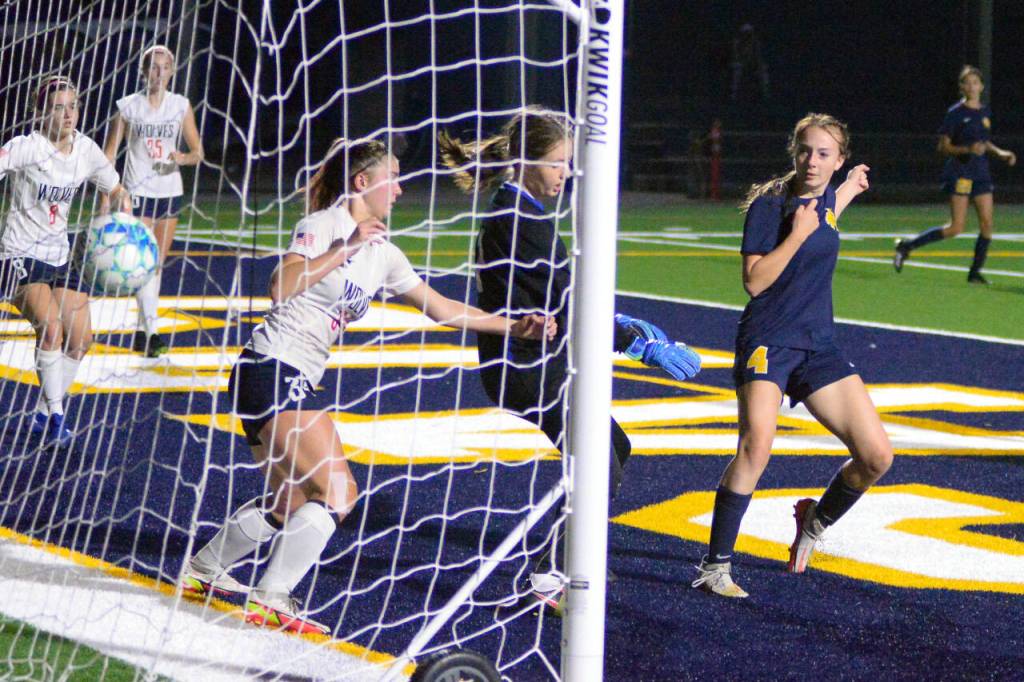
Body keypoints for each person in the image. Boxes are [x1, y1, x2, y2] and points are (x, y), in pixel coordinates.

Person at [179, 138, 554, 635]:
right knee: (338, 491)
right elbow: (280, 287)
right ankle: (271, 597)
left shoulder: (386, 254)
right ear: (363, 182)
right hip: (272, 367)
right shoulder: (324, 225)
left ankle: (201, 571)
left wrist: (514, 326)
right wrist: (344, 248)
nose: (399, 190)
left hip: (285, 377)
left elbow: (441, 308)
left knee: (288, 502)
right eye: (392, 178)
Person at [437, 107, 702, 611]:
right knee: (600, 458)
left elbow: (562, 294)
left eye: (568, 163)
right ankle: (549, 575)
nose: (566, 174)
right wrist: (633, 341)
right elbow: (566, 300)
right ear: (524, 161)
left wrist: (622, 324)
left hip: (541, 361)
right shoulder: (516, 216)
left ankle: (564, 560)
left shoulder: (523, 211)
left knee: (612, 448)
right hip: (526, 367)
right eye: (557, 162)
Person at [691, 114, 893, 598]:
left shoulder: (825, 197)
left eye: (824, 153)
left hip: (817, 346)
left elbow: (828, 208)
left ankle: (815, 520)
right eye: (805, 150)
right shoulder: (770, 205)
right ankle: (714, 567)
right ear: (793, 151)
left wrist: (848, 188)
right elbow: (755, 282)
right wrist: (797, 235)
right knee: (756, 445)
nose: (812, 161)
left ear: (838, 159)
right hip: (767, 339)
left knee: (877, 456)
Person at [0, 75, 132, 446]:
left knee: (81, 340)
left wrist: (123, 210)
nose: (68, 114)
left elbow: (116, 188)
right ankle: (58, 417)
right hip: (20, 255)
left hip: (61, 256)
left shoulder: (86, 150)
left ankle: (43, 412)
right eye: (59, 107)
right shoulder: (26, 147)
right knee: (52, 329)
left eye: (72, 106)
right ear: (41, 112)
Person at [103, 44, 204, 356]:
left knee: (156, 265)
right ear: (144, 71)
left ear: (173, 72)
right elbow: (108, 155)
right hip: (138, 191)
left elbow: (197, 153)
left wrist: (181, 158)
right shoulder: (128, 106)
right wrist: (107, 195)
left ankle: (142, 332)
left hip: (170, 192)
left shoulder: (180, 105)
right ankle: (152, 333)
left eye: (165, 67)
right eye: (154, 67)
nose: (159, 73)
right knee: (143, 264)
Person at [894, 66, 1016, 284]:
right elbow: (943, 147)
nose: (971, 86)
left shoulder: (985, 112)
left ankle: (975, 272)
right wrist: (967, 150)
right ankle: (907, 246)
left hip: (981, 174)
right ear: (962, 87)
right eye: (967, 82)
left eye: (975, 82)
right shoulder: (955, 113)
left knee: (987, 225)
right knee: (956, 227)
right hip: (960, 172)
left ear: (982, 86)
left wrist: (1000, 152)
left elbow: (983, 141)